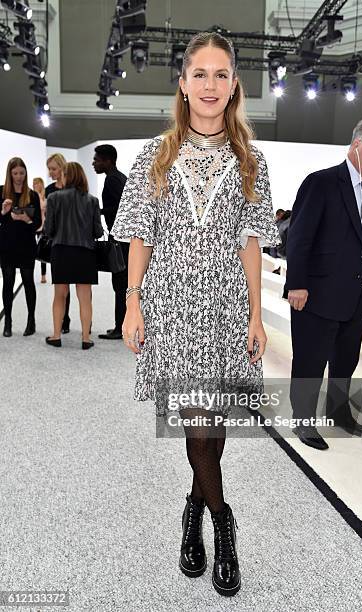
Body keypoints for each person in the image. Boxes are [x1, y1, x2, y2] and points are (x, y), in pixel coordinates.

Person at [111, 32, 280, 597]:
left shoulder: (251, 159)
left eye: (221, 74)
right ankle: (224, 524)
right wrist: (133, 303)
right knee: (200, 425)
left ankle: (193, 508)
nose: (210, 85)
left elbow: (250, 243)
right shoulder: (153, 154)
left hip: (228, 309)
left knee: (215, 424)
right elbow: (140, 236)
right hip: (174, 308)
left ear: (235, 86)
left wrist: (257, 315)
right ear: (182, 84)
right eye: (199, 74)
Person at [284, 116, 362, 451]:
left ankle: (338, 412)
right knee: (310, 360)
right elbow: (299, 238)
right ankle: (303, 420)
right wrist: (297, 284)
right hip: (316, 294)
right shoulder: (322, 183)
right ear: (357, 144)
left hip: (357, 297)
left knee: (345, 362)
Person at [43, 162, 103, 349]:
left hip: (61, 251)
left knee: (60, 295)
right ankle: (86, 338)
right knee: (85, 297)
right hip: (85, 252)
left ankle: (56, 335)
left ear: (66, 176)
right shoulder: (92, 200)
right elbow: (98, 232)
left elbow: (48, 229)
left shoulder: (53, 198)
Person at [0, 157, 41, 337]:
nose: (19, 177)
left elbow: (39, 222)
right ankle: (7, 321)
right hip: (6, 245)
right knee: (7, 282)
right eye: (15, 173)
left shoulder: (32, 195)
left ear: (26, 173)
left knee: (28, 282)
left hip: (26, 245)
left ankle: (31, 320)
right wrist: (3, 212)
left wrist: (27, 219)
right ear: (9, 174)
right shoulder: (1, 193)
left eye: (22, 173)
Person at [92, 144, 127, 340]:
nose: (94, 163)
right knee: (122, 284)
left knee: (120, 284)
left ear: (108, 161)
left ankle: (120, 328)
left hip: (120, 241)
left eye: (97, 159)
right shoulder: (119, 178)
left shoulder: (113, 180)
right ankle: (121, 326)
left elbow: (117, 211)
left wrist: (97, 211)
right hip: (124, 239)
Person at [46, 153, 71, 333]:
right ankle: (63, 319)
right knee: (60, 284)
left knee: (75, 285)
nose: (51, 172)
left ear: (62, 168)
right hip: (57, 241)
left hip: (73, 240)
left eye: (53, 169)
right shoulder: (49, 190)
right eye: (49, 169)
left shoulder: (73, 187)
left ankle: (70, 318)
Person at [33, 176, 47, 283]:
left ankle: (43, 275)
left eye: (37, 183)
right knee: (32, 249)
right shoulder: (33, 196)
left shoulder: (45, 195)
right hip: (35, 225)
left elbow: (44, 207)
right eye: (34, 184)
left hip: (45, 225)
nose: (35, 185)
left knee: (43, 249)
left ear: (41, 184)